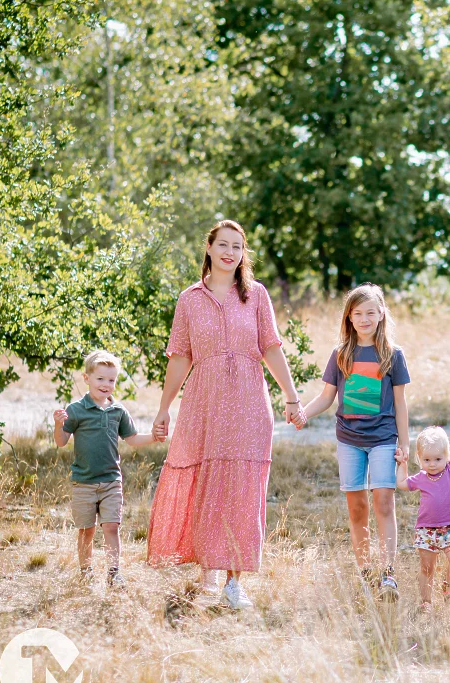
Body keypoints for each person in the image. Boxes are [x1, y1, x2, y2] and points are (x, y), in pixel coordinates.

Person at [147, 220, 303, 610]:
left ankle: (235, 582)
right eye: (223, 245)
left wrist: (292, 396)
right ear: (210, 248)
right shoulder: (190, 299)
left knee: (242, 487)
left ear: (242, 253)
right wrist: (164, 408)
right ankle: (208, 575)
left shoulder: (256, 295)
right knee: (206, 483)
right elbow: (180, 356)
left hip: (250, 400)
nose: (230, 252)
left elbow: (270, 348)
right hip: (205, 402)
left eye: (237, 246)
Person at [294, 284, 409, 599]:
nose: (364, 318)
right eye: (357, 313)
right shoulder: (341, 354)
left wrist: (406, 444)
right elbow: (327, 396)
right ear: (349, 317)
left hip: (384, 438)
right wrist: (304, 413)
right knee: (357, 507)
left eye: (370, 312)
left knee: (383, 502)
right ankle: (365, 572)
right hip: (349, 440)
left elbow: (401, 404)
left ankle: (388, 574)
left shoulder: (392, 355)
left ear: (381, 313)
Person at [54, 350, 162, 588]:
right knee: (86, 530)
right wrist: (58, 424)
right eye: (100, 379)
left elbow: (132, 439)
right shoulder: (76, 409)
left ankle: (114, 573)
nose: (106, 384)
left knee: (111, 526)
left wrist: (153, 437)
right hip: (83, 481)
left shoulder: (118, 411)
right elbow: (61, 441)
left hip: (112, 480)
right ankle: (86, 572)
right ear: (87, 378)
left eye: (111, 380)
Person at [396, 424, 450, 611]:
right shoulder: (421, 477)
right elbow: (401, 483)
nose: (432, 464)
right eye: (427, 460)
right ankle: (426, 601)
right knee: (427, 567)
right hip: (426, 530)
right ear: (420, 459)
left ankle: (448, 585)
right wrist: (403, 464)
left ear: (447, 456)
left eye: (438, 459)